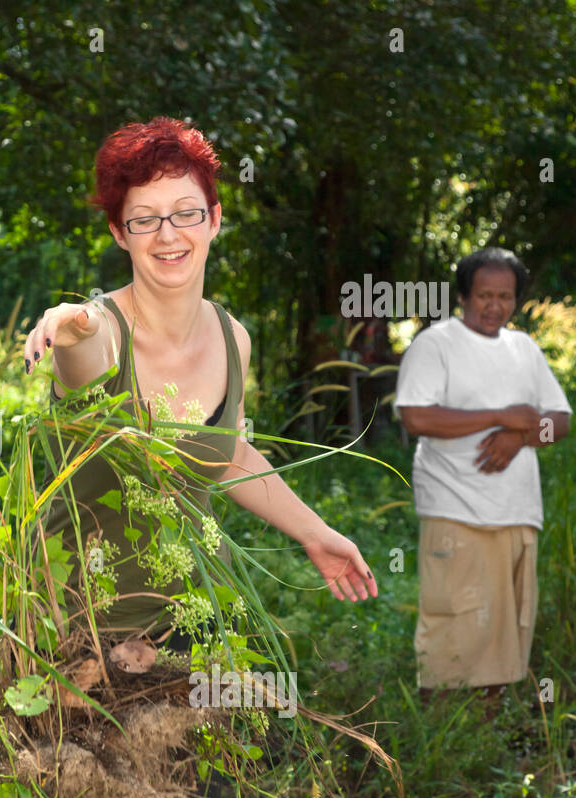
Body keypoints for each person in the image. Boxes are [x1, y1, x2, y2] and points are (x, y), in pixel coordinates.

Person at [24, 116, 377, 651]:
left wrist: (315, 533)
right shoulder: (98, 338)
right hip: (80, 642)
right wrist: (72, 323)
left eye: (186, 213)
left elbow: (230, 453)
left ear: (214, 219)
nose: (168, 235)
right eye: (144, 219)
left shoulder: (234, 339)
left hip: (200, 626)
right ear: (120, 233)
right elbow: (81, 348)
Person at [394, 248, 571, 703]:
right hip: (456, 508)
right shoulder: (436, 344)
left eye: (505, 297)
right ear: (463, 295)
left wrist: (520, 437)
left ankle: (485, 734)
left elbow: (561, 422)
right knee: (453, 623)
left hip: (517, 509)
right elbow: (417, 418)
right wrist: (502, 416)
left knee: (505, 629)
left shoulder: (524, 348)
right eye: (484, 295)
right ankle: (438, 733)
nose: (494, 306)